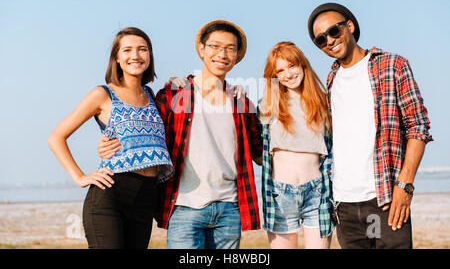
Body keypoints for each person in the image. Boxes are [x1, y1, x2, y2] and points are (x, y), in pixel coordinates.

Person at [98, 20, 263, 249]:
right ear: (202, 50)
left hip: (229, 209)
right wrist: (111, 142)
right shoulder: (172, 95)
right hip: (183, 207)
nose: (222, 54)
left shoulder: (242, 102)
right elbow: (145, 131)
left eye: (230, 48)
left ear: (236, 56)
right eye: (215, 46)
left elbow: (261, 154)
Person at [307, 3, 433, 249]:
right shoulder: (331, 80)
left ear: (350, 26)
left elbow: (418, 126)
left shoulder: (392, 65)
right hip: (343, 206)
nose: (329, 41)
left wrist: (404, 186)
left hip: (386, 199)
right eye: (321, 40)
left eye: (334, 31)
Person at [48, 27, 174, 249]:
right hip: (110, 197)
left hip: (145, 199)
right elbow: (56, 137)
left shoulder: (152, 97)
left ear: (150, 55)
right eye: (127, 50)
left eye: (142, 49)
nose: (135, 56)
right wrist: (79, 177)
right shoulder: (104, 94)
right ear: (117, 57)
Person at [258, 41, 334, 249]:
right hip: (280, 193)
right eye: (280, 70)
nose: (288, 74)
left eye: (291, 66)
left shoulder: (324, 103)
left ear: (302, 65)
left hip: (317, 191)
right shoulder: (268, 105)